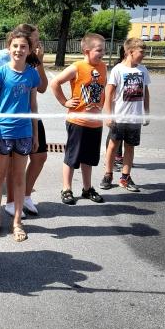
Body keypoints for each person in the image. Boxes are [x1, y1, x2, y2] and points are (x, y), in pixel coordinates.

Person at [0, 24, 48, 216]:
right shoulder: (3, 63)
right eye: (36, 38)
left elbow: (41, 89)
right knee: (6, 169)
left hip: (27, 120)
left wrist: (39, 61)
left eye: (30, 44)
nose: (38, 42)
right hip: (4, 123)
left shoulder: (32, 63)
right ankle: (10, 204)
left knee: (38, 157)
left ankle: (24, 198)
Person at [0, 27, 40, 242]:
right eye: (15, 46)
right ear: (9, 48)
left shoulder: (32, 74)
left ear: (29, 50)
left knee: (19, 178)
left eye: (23, 46)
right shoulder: (0, 73)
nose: (19, 50)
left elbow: (33, 107)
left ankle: (17, 222)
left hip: (24, 133)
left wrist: (35, 135)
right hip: (2, 133)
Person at [50, 33, 107, 205]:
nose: (103, 53)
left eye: (104, 50)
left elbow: (103, 89)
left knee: (88, 158)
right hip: (78, 122)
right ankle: (66, 189)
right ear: (86, 51)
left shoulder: (103, 67)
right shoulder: (77, 67)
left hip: (95, 123)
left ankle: (87, 189)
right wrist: (64, 102)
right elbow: (55, 83)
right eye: (99, 50)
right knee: (72, 157)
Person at [100, 37, 151, 192]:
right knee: (113, 146)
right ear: (130, 52)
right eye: (141, 52)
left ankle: (125, 177)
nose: (143, 55)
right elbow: (109, 93)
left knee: (130, 147)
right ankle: (108, 174)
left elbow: (146, 93)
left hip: (135, 118)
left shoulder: (143, 70)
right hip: (119, 117)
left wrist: (146, 113)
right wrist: (109, 115)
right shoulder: (118, 70)